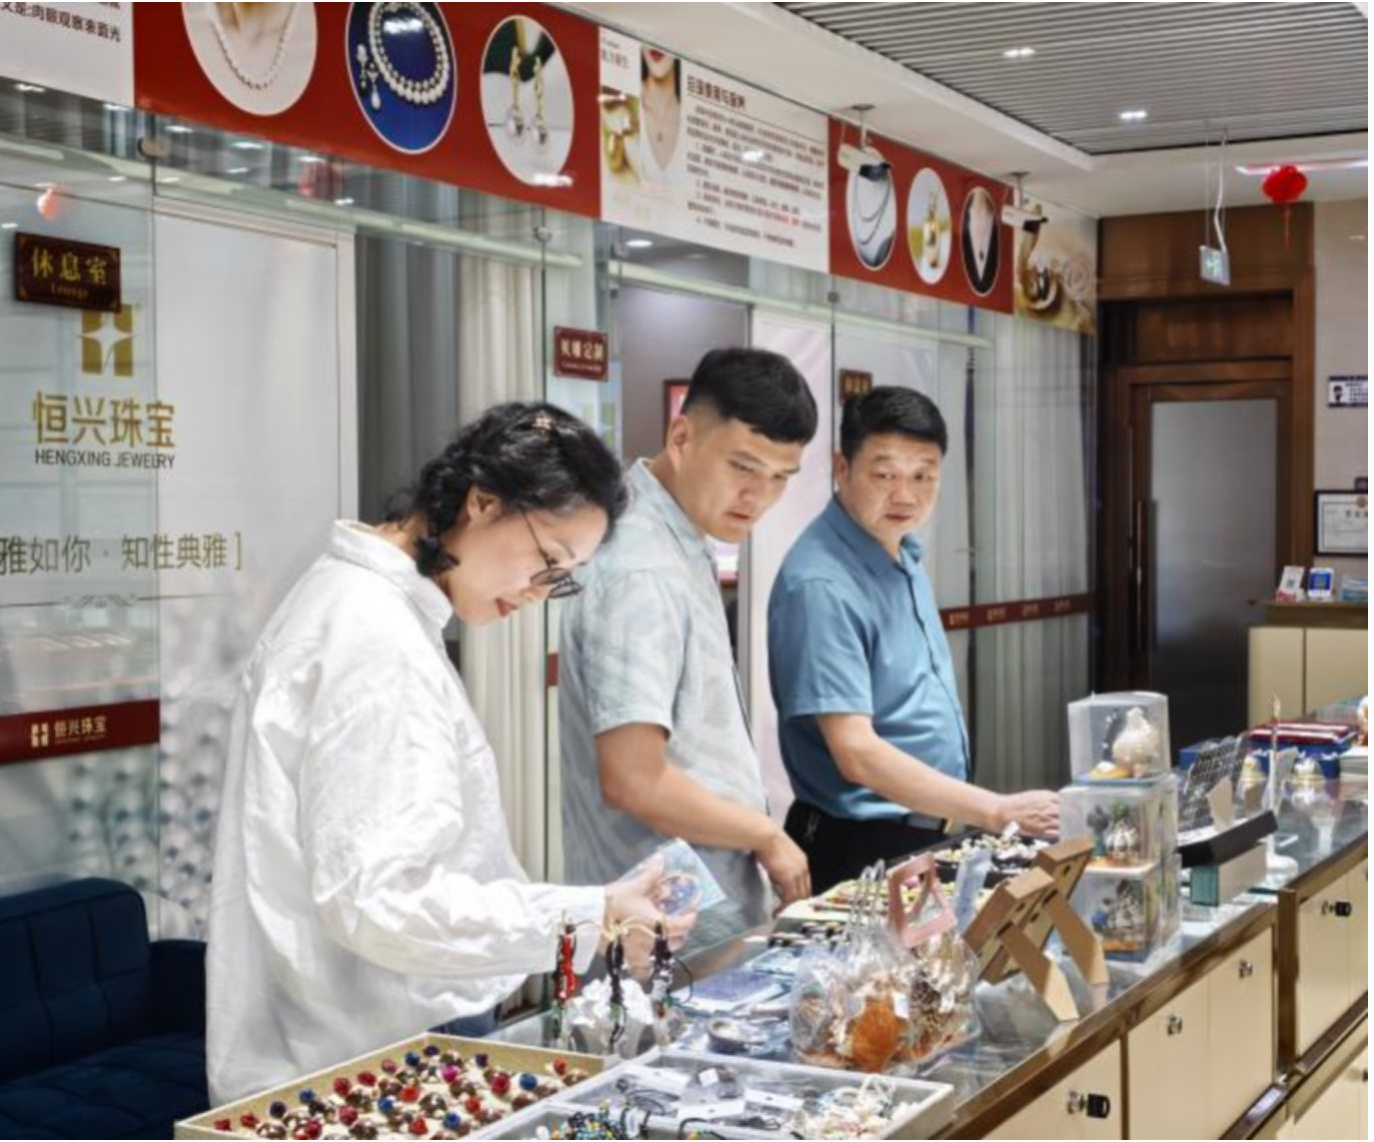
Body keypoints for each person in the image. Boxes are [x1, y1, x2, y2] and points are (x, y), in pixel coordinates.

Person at [207, 403, 695, 1105]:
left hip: (353, 1037)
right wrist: (593, 915)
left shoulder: (361, 602)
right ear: (483, 501)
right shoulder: (376, 637)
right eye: (547, 561)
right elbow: (384, 900)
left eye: (563, 578)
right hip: (365, 1053)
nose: (538, 594)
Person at [560, 348, 820, 949]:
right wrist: (765, 833)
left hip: (696, 912)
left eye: (780, 477)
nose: (758, 495)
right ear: (681, 437)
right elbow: (634, 780)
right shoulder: (642, 569)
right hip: (662, 930)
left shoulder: (675, 536)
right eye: (743, 466)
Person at [769, 387, 1059, 894]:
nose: (905, 496)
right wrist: (995, 809)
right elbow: (855, 752)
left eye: (923, 476)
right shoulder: (822, 583)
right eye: (885, 475)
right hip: (861, 844)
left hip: (922, 831)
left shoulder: (900, 552)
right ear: (842, 467)